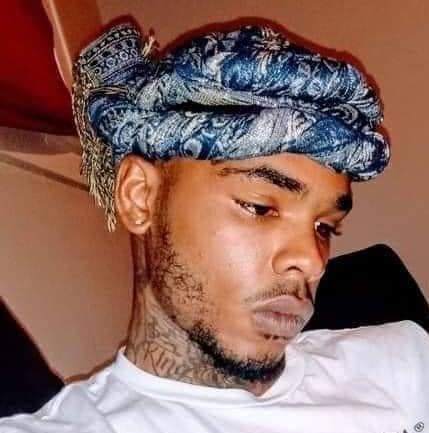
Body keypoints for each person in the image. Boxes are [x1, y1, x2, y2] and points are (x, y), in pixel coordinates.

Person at [1, 21, 428, 433]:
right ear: (139, 197)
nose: (312, 261)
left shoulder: (403, 362)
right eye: (260, 207)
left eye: (324, 227)